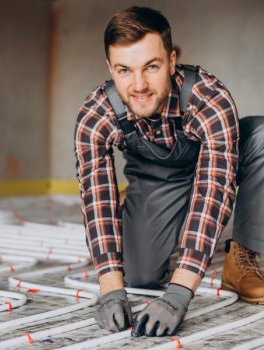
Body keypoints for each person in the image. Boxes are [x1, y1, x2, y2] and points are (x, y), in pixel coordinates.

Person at [74, 6, 264, 337]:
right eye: (124, 70)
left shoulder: (208, 97)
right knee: (140, 277)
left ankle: (243, 252)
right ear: (110, 68)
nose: (139, 85)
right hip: (158, 180)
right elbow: (96, 200)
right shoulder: (96, 115)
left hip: (217, 167)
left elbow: (214, 190)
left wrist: (179, 294)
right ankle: (143, 209)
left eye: (151, 67)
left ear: (172, 61)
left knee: (262, 136)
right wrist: (111, 287)